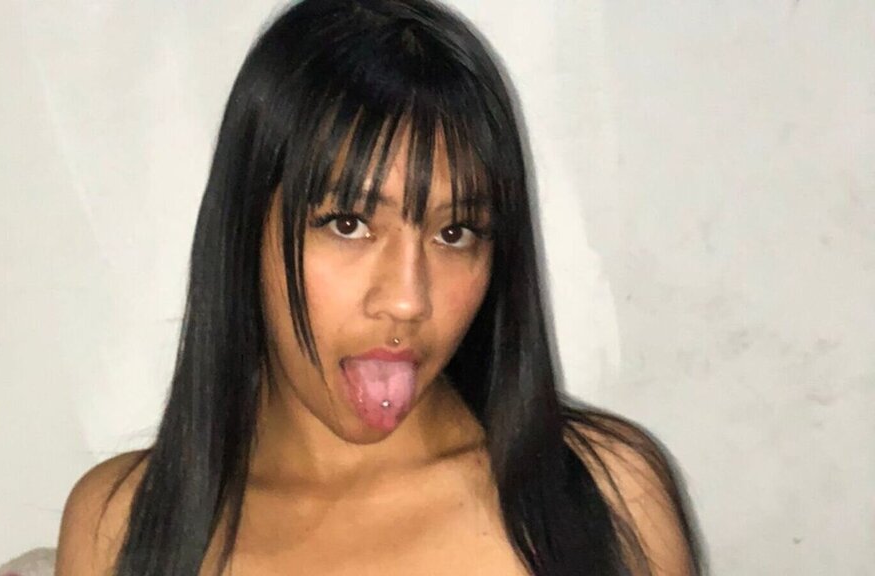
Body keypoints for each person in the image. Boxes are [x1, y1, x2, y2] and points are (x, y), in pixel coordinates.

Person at [55, 0, 705, 574]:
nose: (407, 299)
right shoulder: (119, 524)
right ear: (244, 228)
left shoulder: (607, 496)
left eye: (455, 233)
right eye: (348, 223)